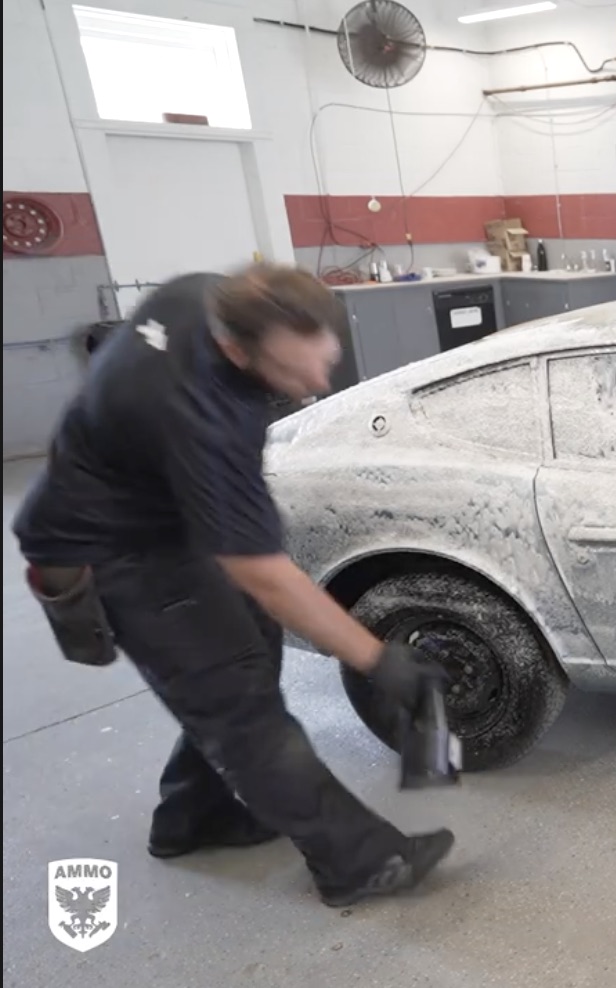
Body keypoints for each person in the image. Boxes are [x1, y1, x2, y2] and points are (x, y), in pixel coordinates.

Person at [14, 264, 457, 908]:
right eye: (293, 373)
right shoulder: (202, 417)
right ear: (234, 348)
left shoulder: (203, 294)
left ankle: (197, 817)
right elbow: (264, 574)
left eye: (325, 359)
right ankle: (358, 863)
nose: (317, 383)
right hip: (111, 548)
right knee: (241, 709)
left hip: (162, 515)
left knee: (249, 652)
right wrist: (377, 659)